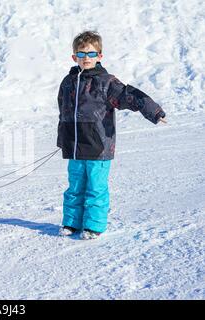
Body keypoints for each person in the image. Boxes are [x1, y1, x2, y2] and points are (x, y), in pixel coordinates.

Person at [56, 31, 166, 240]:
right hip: (75, 145)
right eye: (81, 54)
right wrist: (63, 138)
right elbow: (63, 111)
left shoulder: (106, 82)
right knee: (75, 186)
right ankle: (71, 222)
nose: (86, 58)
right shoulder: (68, 82)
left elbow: (129, 95)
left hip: (98, 145)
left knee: (95, 188)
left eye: (90, 54)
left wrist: (154, 111)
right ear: (74, 57)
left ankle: (94, 225)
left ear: (99, 56)